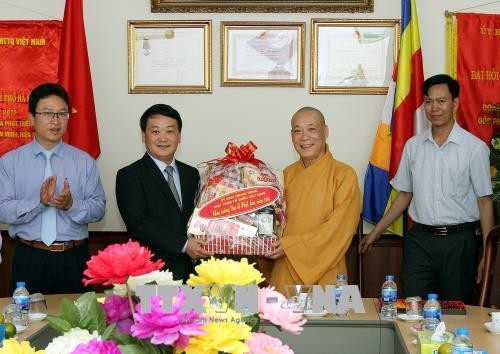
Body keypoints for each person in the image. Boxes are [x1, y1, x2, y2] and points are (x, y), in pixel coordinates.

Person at [359, 74, 494, 303]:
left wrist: (487, 255)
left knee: (456, 309)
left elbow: (484, 201)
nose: (434, 107)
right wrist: (376, 232)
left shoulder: (474, 148)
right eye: (429, 101)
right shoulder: (413, 146)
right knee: (412, 306)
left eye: (441, 101)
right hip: (419, 241)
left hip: (458, 242)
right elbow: (404, 195)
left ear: (455, 103)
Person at [0, 83, 106, 294]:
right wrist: (39, 203)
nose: (55, 121)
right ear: (32, 117)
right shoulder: (10, 162)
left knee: (78, 326)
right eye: (48, 113)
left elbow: (99, 208)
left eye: (61, 114)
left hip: (73, 258)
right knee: (27, 324)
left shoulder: (84, 161)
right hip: (29, 257)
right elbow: (3, 209)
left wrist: (71, 205)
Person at [265, 106, 362, 294]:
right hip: (284, 270)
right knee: (279, 322)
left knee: (327, 323)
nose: (304, 137)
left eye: (312, 129)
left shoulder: (344, 175)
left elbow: (338, 229)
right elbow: (273, 222)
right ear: (291, 135)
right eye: (297, 130)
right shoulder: (284, 175)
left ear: (325, 132)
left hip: (327, 273)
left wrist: (290, 246)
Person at [116, 104, 212, 282]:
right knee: (157, 311)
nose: (163, 138)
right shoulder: (129, 175)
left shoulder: (191, 174)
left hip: (192, 272)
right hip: (152, 273)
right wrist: (183, 245)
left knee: (193, 310)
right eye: (155, 132)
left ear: (179, 136)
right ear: (143, 136)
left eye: (170, 131)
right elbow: (139, 223)